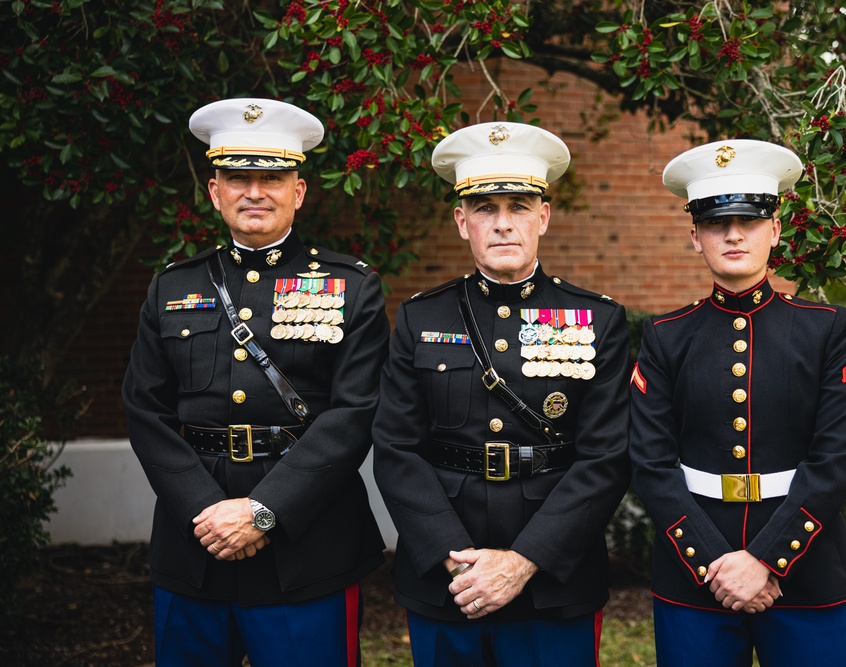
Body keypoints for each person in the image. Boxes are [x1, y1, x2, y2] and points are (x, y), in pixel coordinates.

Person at [122, 98, 389, 667]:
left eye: (272, 177)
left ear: (299, 191)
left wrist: (264, 510)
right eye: (238, 177)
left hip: (309, 545)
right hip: (194, 541)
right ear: (215, 191)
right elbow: (145, 411)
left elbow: (355, 413)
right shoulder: (172, 286)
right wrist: (208, 512)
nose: (255, 192)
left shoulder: (353, 287)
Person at [372, 122, 631, 666]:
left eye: (519, 206)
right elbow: (396, 448)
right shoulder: (421, 318)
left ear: (544, 216)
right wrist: (455, 557)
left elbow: (606, 456)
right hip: (449, 576)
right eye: (486, 209)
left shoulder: (598, 320)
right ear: (462, 222)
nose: (503, 223)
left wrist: (523, 561)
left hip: (555, 575)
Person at [629, 139, 846, 666]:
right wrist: (716, 563)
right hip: (695, 578)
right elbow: (649, 465)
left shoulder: (823, 330)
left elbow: (836, 460)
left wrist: (766, 560)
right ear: (695, 237)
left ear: (775, 230)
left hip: (808, 571)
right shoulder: (667, 337)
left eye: (750, 220)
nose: (733, 234)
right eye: (716, 223)